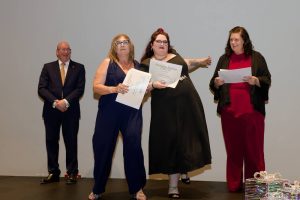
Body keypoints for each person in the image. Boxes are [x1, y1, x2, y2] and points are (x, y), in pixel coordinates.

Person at [140, 28, 212, 199]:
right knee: (172, 143)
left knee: (189, 139)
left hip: (189, 105)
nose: (162, 44)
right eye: (159, 42)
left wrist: (200, 62)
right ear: (152, 45)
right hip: (166, 110)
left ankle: (184, 169)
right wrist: (153, 86)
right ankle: (173, 186)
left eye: (165, 42)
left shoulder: (175, 56)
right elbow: (141, 88)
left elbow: (187, 63)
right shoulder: (146, 63)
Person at [209, 26, 271, 192]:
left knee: (254, 152)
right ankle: (234, 185)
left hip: (252, 114)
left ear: (245, 40)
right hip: (230, 114)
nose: (233, 42)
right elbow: (213, 82)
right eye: (231, 39)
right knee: (233, 151)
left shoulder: (257, 58)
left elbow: (267, 79)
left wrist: (256, 80)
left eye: (237, 39)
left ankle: (254, 187)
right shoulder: (224, 59)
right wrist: (217, 82)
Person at [89, 34, 147, 200]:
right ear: (114, 47)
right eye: (118, 43)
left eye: (125, 42)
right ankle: (98, 188)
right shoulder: (108, 62)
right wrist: (114, 89)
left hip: (132, 113)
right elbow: (96, 87)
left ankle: (137, 189)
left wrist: (147, 88)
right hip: (109, 112)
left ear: (131, 45)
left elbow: (140, 90)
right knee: (103, 149)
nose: (122, 45)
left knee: (134, 148)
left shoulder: (137, 66)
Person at [38, 41, 86, 184]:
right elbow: (42, 88)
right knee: (51, 141)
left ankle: (72, 172)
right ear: (57, 52)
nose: (65, 52)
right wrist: (55, 102)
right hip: (51, 111)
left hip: (71, 111)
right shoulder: (48, 67)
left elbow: (79, 89)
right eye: (62, 49)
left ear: (70, 52)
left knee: (71, 142)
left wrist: (65, 102)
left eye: (68, 49)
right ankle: (53, 172)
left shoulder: (79, 68)